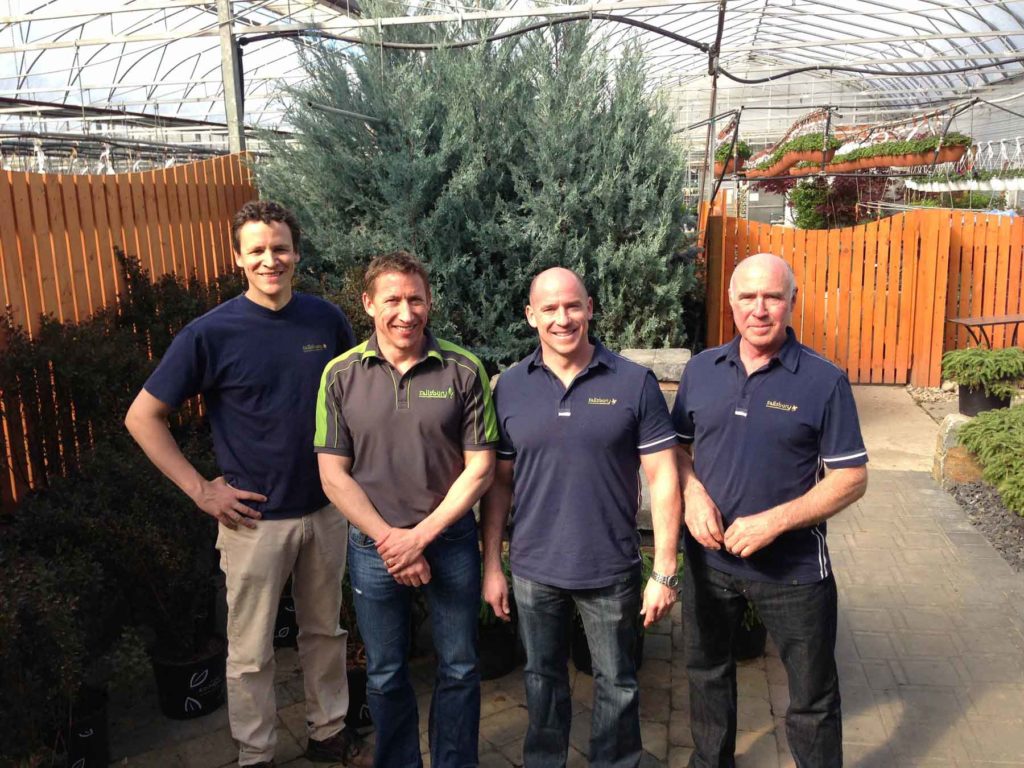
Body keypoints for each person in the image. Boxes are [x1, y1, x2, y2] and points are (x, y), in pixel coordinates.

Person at [124, 200, 371, 768]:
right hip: (252, 521)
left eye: (279, 248)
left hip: (326, 510)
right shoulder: (209, 334)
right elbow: (142, 417)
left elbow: (354, 400)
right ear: (237, 258)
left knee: (325, 633)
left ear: (297, 253)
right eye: (256, 250)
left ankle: (329, 731)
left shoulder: (326, 321)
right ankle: (256, 753)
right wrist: (201, 490)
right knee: (251, 652)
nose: (269, 260)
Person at [671, 252, 868, 768]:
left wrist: (774, 521)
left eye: (772, 297)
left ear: (791, 302)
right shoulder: (701, 370)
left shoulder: (824, 381)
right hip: (709, 563)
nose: (759, 309)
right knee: (707, 673)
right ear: (730, 302)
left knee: (812, 697)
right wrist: (692, 493)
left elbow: (851, 477)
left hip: (793, 571)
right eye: (748, 297)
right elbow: (678, 450)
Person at [481, 267, 682, 768]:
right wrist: (492, 566)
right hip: (534, 568)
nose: (562, 318)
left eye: (572, 306)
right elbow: (499, 484)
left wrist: (664, 569)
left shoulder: (634, 382)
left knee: (617, 683)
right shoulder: (510, 387)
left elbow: (663, 478)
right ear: (530, 316)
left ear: (589, 308)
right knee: (541, 680)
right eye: (549, 308)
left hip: (609, 566)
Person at [314, 251, 498, 768]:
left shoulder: (464, 369)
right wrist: (391, 539)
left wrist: (420, 537)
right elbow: (333, 475)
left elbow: (480, 469)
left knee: (459, 666)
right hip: (374, 548)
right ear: (369, 303)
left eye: (416, 299)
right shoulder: (340, 374)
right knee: (385, 672)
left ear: (429, 302)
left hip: (450, 541)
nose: (405, 312)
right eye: (392, 299)